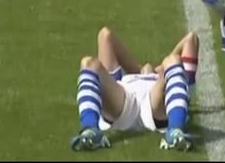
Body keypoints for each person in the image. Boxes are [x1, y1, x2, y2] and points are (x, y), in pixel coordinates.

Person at [70, 27, 199, 151]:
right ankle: (90, 130)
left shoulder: (161, 75)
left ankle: (175, 131)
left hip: (153, 102)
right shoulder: (126, 78)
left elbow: (191, 39)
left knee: (173, 60)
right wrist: (139, 69)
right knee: (88, 63)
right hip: (124, 100)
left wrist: (157, 69)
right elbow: (106, 35)